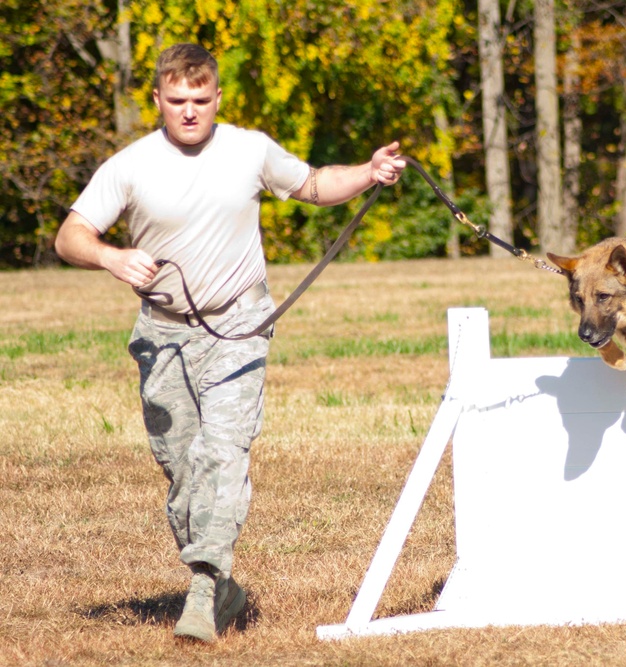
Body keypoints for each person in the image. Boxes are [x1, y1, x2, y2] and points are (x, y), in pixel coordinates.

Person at [54, 43, 406, 643]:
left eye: (200, 100)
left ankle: (201, 588)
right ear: (158, 100)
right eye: (176, 101)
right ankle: (224, 589)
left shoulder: (250, 149)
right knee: (182, 468)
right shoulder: (130, 165)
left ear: (217, 98)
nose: (189, 111)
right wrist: (112, 257)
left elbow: (315, 184)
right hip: (163, 337)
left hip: (239, 329)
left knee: (223, 452)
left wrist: (369, 172)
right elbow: (70, 236)